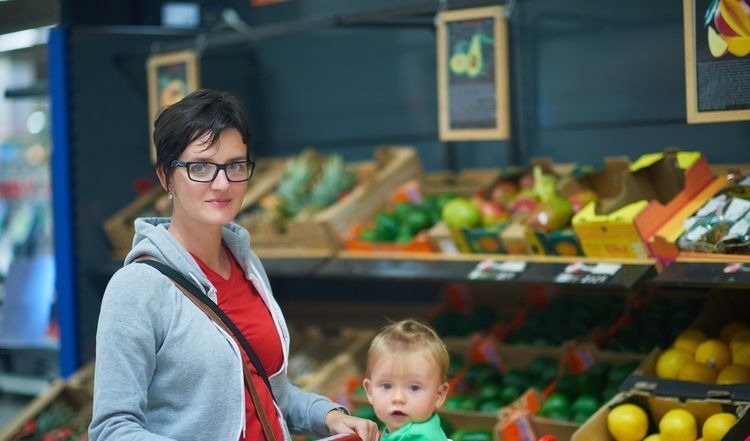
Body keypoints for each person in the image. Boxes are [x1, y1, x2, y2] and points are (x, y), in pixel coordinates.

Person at [89, 89, 380, 441]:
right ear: (167, 178)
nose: (222, 183)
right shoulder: (137, 288)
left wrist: (328, 415)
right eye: (200, 167)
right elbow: (112, 429)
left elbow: (268, 390)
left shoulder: (248, 266)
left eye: (235, 166)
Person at [362, 319, 451, 441]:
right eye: (387, 386)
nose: (398, 398)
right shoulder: (405, 429)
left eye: (414, 388)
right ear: (370, 391)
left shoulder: (417, 437)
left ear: (438, 395)